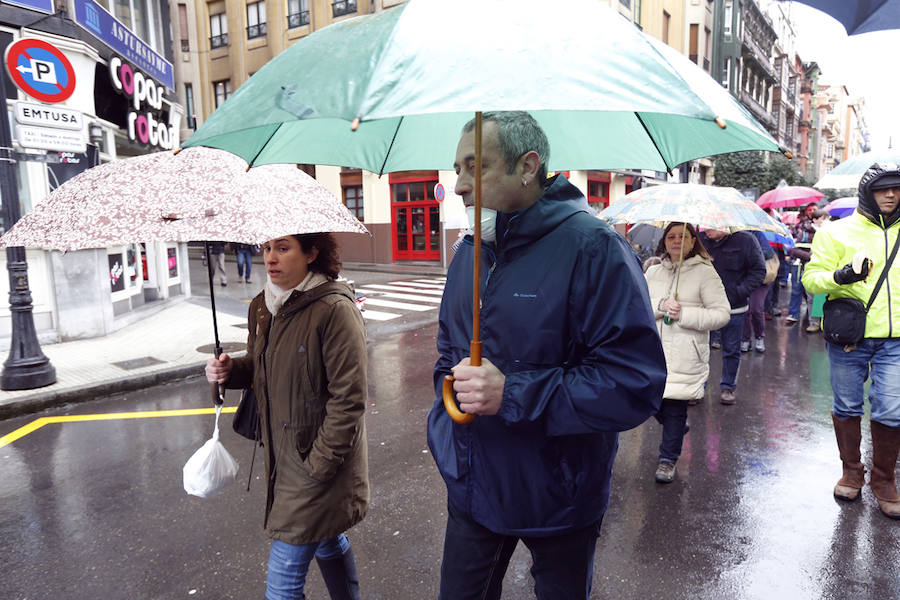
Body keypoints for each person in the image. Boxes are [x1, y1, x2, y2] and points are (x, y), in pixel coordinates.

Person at [429, 111, 666, 599]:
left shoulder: (595, 249)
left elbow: (633, 383)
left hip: (559, 495)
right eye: (456, 168)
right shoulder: (469, 250)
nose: (458, 185)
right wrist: (446, 419)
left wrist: (512, 393)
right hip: (472, 484)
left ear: (528, 166)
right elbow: (447, 353)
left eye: (474, 167)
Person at [205, 233, 368, 599]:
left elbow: (350, 399)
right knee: (326, 539)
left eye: (283, 248)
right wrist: (230, 371)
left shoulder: (335, 311)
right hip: (283, 454)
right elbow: (264, 369)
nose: (271, 258)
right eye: (266, 249)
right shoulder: (264, 306)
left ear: (312, 253)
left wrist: (319, 465)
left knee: (283, 579)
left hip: (317, 462)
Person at [802, 163, 900, 519]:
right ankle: (851, 471)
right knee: (847, 407)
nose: (890, 194)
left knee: (892, 409)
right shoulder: (835, 232)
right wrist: (841, 276)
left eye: (896, 188)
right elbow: (811, 280)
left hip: (896, 340)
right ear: (867, 193)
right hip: (849, 337)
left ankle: (884, 479)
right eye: (882, 189)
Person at [644, 222, 730, 482]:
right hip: (653, 351)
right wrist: (660, 306)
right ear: (664, 242)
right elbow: (637, 305)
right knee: (646, 400)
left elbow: (721, 314)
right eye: (671, 236)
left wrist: (684, 313)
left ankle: (667, 459)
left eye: (683, 236)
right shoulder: (653, 272)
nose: (677, 241)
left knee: (674, 406)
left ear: (694, 241)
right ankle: (676, 428)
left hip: (685, 353)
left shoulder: (706, 273)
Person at [698, 228, 766, 405]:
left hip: (734, 307)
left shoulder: (746, 241)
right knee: (700, 349)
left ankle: (728, 387)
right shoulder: (700, 240)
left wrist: (740, 291)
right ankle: (698, 386)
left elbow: (759, 271)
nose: (707, 228)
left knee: (731, 349)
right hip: (705, 307)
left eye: (712, 224)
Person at [741, 230, 777, 353]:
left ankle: (759, 336)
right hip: (742, 277)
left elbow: (768, 253)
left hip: (760, 277)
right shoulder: (733, 235)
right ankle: (745, 339)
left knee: (756, 308)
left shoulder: (757, 234)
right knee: (744, 310)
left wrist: (749, 255)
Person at [786, 202, 819, 326]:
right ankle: (795, 314)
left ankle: (816, 320)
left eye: (814, 209)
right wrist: (810, 256)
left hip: (819, 268)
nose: (811, 211)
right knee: (797, 290)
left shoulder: (827, 231)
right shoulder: (802, 229)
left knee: (817, 296)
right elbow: (794, 248)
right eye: (809, 210)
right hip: (801, 265)